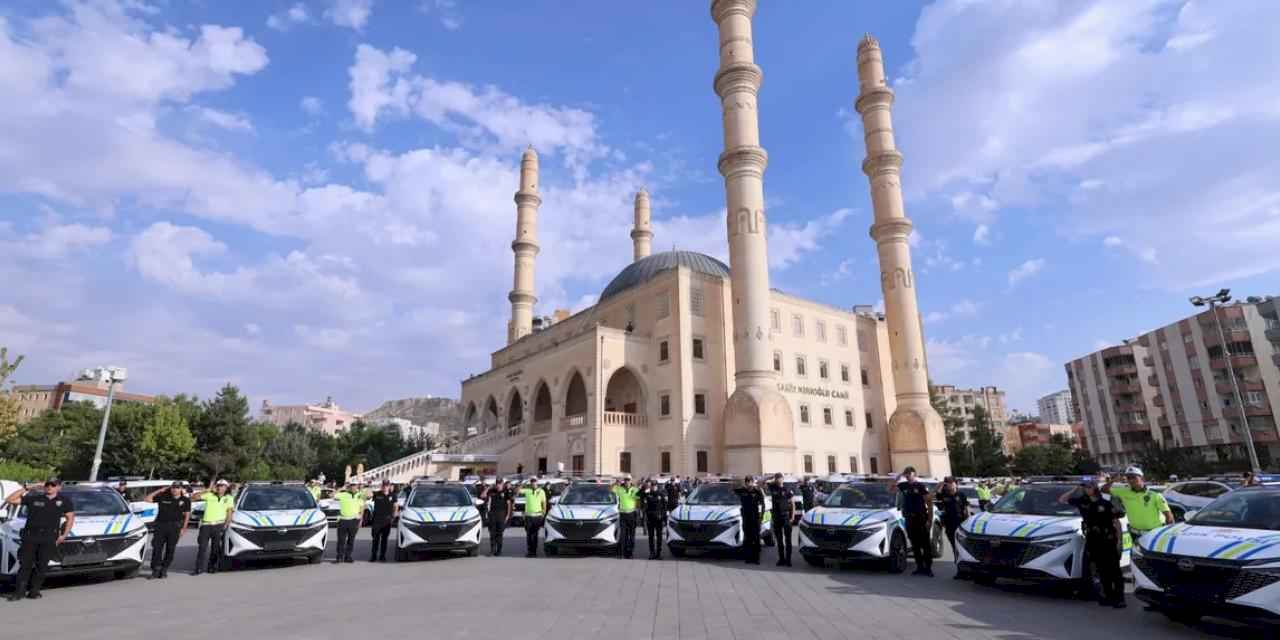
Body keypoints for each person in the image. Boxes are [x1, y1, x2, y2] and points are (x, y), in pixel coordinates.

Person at [4, 479, 75, 600]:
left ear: (59, 487)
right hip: (30, 536)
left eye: (53, 485)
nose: (50, 487)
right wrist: (28, 488)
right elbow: (9, 500)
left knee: (41, 566)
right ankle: (18, 593)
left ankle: (34, 591)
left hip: (48, 538)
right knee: (25, 565)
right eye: (47, 485)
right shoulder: (34, 498)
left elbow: (70, 518)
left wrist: (64, 535)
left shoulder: (64, 501)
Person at [1060, 478, 1127, 608]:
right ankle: (1108, 596)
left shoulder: (1105, 503)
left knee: (1114, 570)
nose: (1087, 489)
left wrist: (1119, 539)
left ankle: (1120, 598)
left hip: (1108, 538)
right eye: (1085, 487)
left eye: (1089, 487)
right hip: (1092, 539)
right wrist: (1075, 488)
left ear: (1095, 488)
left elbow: (1116, 522)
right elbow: (1062, 499)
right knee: (1101, 570)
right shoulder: (1082, 502)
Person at [1102, 467, 1172, 540]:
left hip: (1154, 534)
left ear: (1142, 478)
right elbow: (1103, 490)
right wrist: (1113, 480)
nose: (1131, 480)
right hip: (1135, 534)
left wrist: (1167, 535)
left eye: (1134, 477)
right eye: (1128, 478)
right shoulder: (1123, 492)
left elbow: (1169, 516)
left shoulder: (1155, 494)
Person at [144, 482, 191, 579]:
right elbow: (147, 499)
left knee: (170, 549)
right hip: (160, 525)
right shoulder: (163, 497)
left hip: (175, 527)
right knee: (157, 548)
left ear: (181, 489)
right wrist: (160, 490)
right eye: (173, 487)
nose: (175, 489)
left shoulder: (185, 500)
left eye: (177, 488)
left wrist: (184, 528)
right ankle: (156, 570)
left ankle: (164, 569)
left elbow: (187, 515)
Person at [895, 467, 934, 577]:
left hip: (921, 518)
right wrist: (898, 477)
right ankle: (919, 567)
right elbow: (890, 488)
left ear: (914, 474)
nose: (907, 475)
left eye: (909, 473)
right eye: (906, 474)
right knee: (915, 544)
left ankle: (928, 568)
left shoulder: (920, 486)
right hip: (909, 519)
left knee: (925, 544)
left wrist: (929, 520)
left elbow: (929, 503)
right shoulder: (904, 486)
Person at [191, 479, 235, 575]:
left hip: (219, 525)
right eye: (218, 485)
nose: (220, 487)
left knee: (215, 548)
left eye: (222, 486)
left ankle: (212, 567)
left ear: (226, 487)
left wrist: (226, 525)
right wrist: (207, 490)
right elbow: (193, 498)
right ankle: (198, 568)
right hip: (206, 525)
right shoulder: (209, 495)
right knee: (202, 547)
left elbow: (230, 512)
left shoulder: (229, 498)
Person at [934, 477, 968, 575]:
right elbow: (935, 494)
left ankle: (966, 570)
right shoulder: (944, 495)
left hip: (960, 524)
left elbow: (965, 509)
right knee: (954, 548)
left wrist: (966, 523)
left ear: (955, 484)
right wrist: (940, 484)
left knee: (963, 548)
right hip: (949, 525)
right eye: (947, 484)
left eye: (951, 483)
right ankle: (959, 570)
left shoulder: (961, 494)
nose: (949, 485)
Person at [735, 476, 766, 565]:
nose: (749, 483)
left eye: (750, 481)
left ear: (753, 482)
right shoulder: (742, 491)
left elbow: (762, 505)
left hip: (755, 518)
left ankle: (756, 558)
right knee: (747, 538)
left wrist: (761, 517)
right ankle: (748, 558)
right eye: (747, 482)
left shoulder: (757, 491)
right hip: (746, 518)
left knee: (756, 538)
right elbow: (733, 490)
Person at [766, 474, 795, 566]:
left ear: (783, 479)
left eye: (780, 479)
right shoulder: (772, 488)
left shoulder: (787, 490)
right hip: (776, 517)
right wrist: (769, 477)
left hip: (786, 517)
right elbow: (760, 483)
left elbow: (793, 504)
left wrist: (792, 517)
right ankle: (781, 559)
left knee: (788, 540)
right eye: (777, 479)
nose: (778, 480)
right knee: (779, 540)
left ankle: (788, 560)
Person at [368, 480, 398, 562]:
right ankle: (373, 556)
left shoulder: (393, 495)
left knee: (384, 539)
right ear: (381, 486)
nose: (385, 487)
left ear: (389, 486)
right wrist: (369, 485)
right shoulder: (377, 494)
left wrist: (394, 515)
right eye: (384, 485)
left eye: (387, 485)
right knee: (375, 539)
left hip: (387, 521)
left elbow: (395, 506)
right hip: (376, 520)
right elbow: (368, 495)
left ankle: (382, 556)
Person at [612, 476, 640, 559]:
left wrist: (638, 511)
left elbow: (638, 501)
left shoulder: (635, 489)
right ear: (624, 481)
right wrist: (616, 482)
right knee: (623, 535)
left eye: (628, 480)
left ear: (631, 481)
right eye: (626, 480)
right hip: (623, 515)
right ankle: (622, 553)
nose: (627, 481)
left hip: (632, 514)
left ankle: (630, 553)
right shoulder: (619, 489)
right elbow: (610, 489)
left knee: (631, 535)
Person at [484, 480, 514, 556]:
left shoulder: (506, 492)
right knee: (492, 534)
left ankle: (499, 550)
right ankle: (492, 550)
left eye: (500, 484)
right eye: (497, 484)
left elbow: (509, 504)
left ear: (502, 484)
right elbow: (482, 496)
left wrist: (507, 515)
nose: (498, 485)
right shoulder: (492, 491)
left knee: (499, 533)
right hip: (492, 514)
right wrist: (488, 488)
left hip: (501, 514)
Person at [639, 479, 667, 559]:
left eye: (655, 485)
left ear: (657, 486)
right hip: (650, 518)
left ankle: (658, 553)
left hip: (659, 518)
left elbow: (664, 507)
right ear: (650, 486)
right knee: (651, 537)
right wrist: (644, 488)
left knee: (659, 537)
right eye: (652, 485)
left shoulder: (661, 494)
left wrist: (664, 518)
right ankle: (652, 553)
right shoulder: (647, 494)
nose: (653, 487)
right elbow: (640, 496)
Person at [519, 479, 547, 557]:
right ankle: (529, 551)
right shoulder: (527, 491)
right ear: (530, 484)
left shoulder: (541, 491)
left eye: (535, 483)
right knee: (528, 534)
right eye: (532, 483)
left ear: (537, 483)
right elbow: (517, 491)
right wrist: (523, 483)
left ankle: (534, 551)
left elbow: (544, 502)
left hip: (537, 516)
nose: (534, 484)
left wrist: (543, 513)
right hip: (528, 516)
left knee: (535, 534)